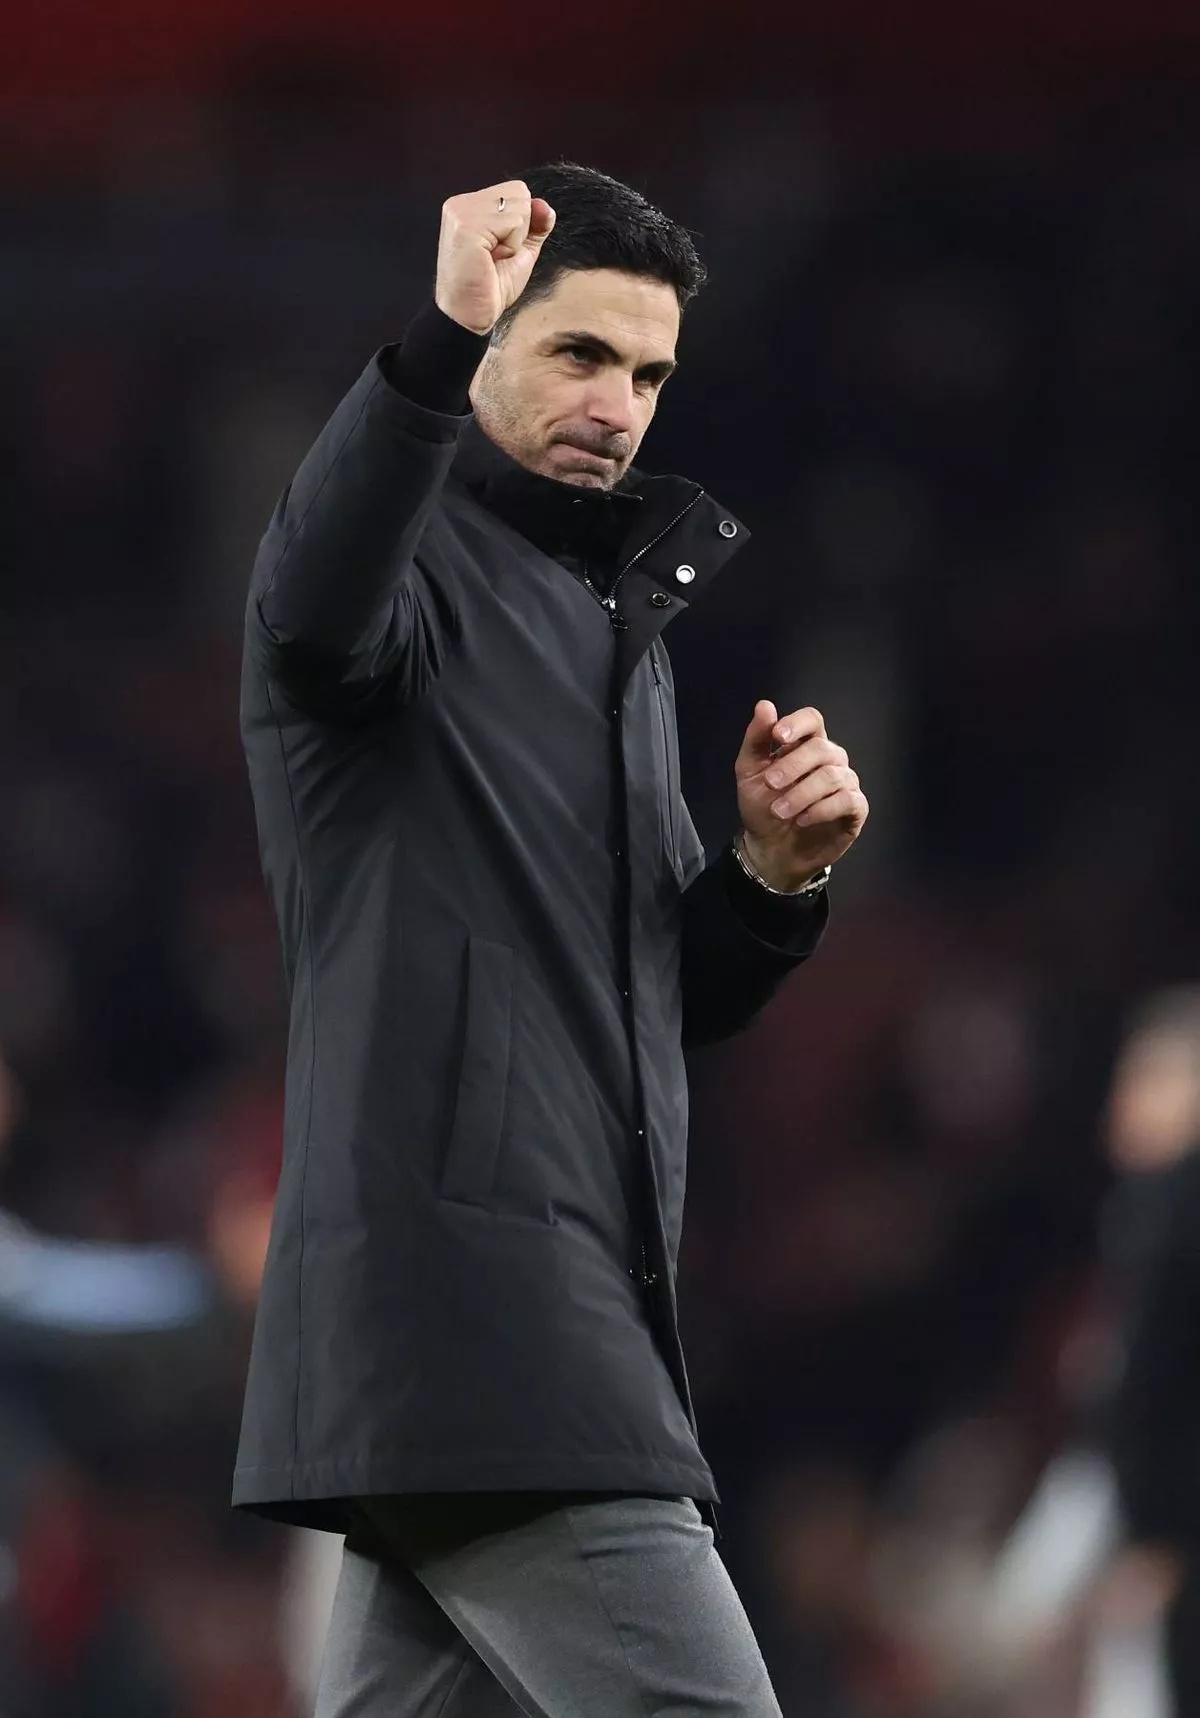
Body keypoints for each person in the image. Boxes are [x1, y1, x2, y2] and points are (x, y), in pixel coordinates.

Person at [233, 162, 869, 1717]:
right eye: (579, 351)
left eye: (649, 372)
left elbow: (663, 998)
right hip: (491, 1333)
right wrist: (433, 342)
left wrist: (770, 878)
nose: (622, 402)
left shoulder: (609, 639)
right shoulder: (401, 569)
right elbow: (314, 606)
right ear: (492, 337)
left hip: (528, 1327)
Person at [1100, 986, 1200, 1716]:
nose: (1123, 1109)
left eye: (1149, 1080)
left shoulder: (1171, 1207)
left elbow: (1148, 1380)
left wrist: (1158, 1529)